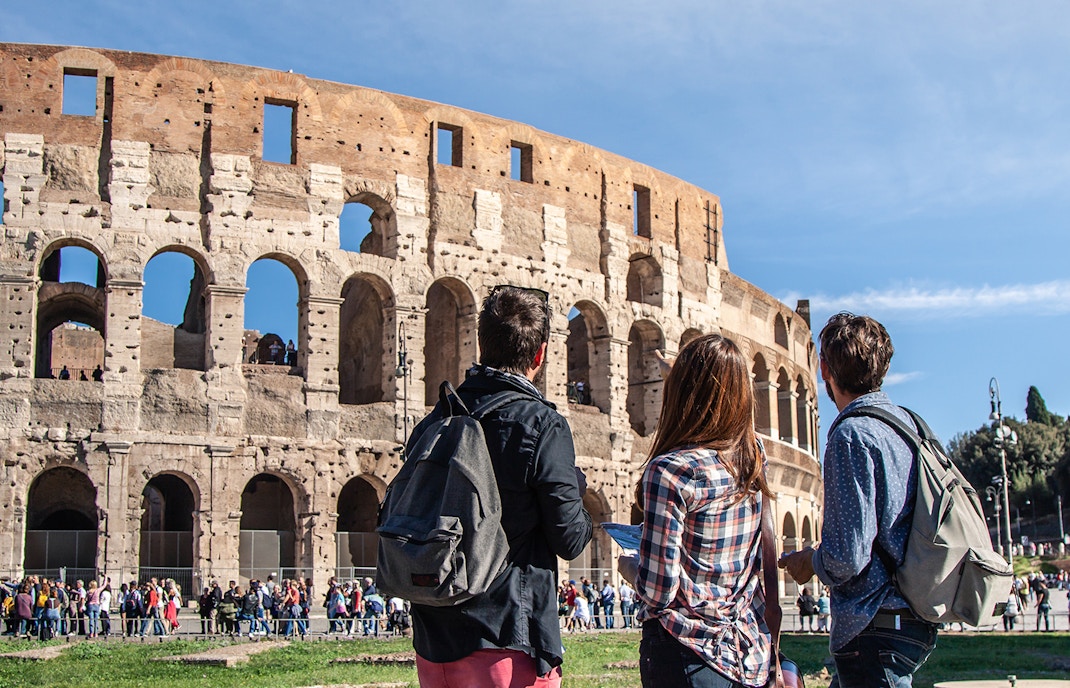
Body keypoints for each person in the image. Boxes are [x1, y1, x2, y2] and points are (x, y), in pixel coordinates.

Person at [407, 285, 593, 688]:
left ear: (482, 343)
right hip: (506, 635)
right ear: (540, 354)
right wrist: (575, 494)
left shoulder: (438, 416)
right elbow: (570, 539)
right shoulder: (542, 424)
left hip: (433, 639)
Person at [780, 312, 938, 687]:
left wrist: (810, 561)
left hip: (874, 621)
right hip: (913, 614)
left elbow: (847, 557)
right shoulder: (907, 426)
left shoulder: (851, 435)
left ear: (823, 370)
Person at [620, 334, 772, 688]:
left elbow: (659, 591)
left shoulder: (670, 472)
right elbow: (734, 414)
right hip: (744, 650)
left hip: (685, 652)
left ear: (681, 394)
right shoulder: (753, 458)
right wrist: (686, 377)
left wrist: (629, 566)